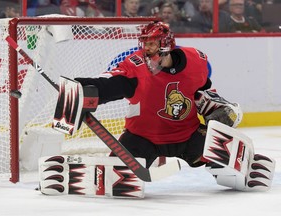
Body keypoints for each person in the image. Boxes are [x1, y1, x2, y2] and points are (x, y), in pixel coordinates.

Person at [50, 21, 275, 194]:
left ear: (166, 45)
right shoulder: (135, 66)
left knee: (221, 145)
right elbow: (111, 83)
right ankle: (62, 175)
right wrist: (85, 89)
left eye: (151, 44)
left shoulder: (196, 60)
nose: (145, 50)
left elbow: (201, 91)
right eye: (144, 43)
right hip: (143, 140)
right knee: (117, 180)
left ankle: (245, 169)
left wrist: (221, 109)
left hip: (188, 137)